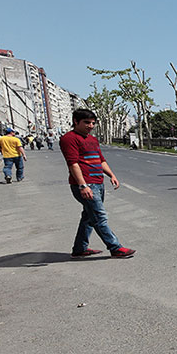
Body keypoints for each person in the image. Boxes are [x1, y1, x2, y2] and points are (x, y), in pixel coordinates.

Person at [59, 109, 135, 259]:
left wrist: (111, 175)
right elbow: (73, 163)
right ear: (76, 121)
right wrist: (82, 185)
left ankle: (80, 248)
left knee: (88, 216)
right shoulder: (69, 138)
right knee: (99, 216)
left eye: (93, 123)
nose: (91, 126)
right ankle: (115, 247)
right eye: (87, 122)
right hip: (86, 184)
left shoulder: (92, 140)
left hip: (98, 183)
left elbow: (101, 160)